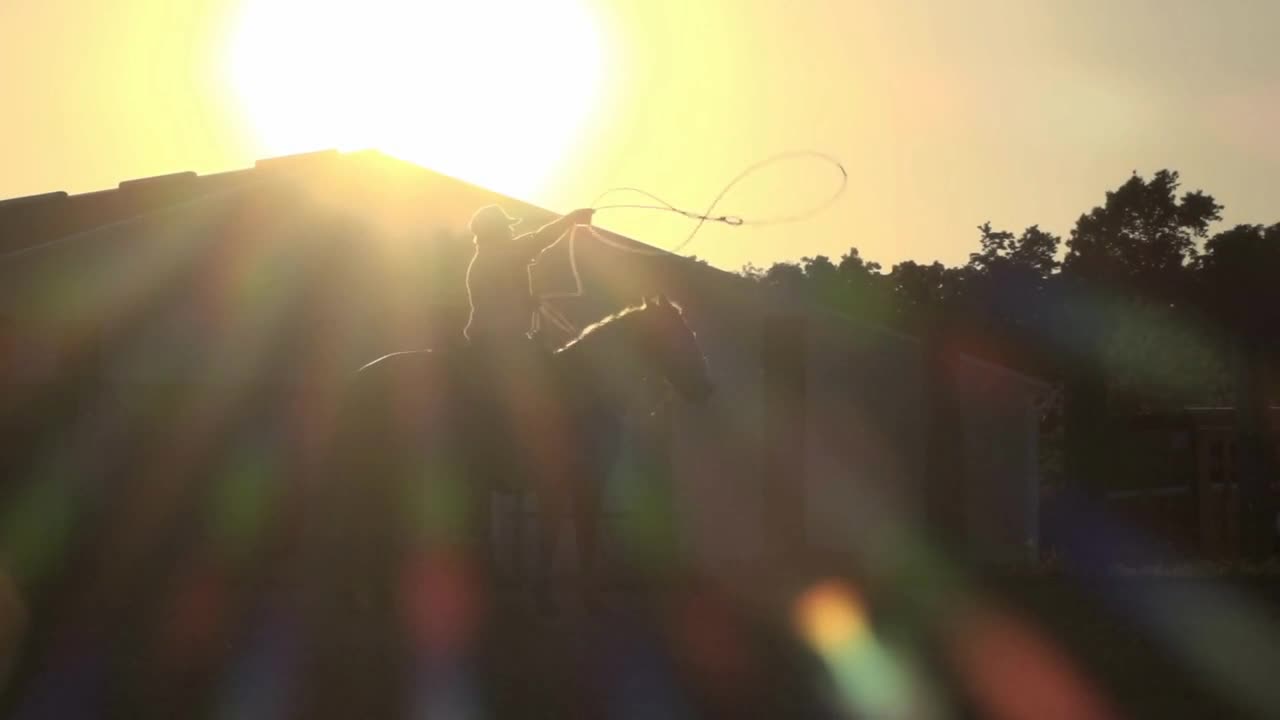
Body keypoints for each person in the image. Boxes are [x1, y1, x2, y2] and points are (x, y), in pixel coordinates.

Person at [463, 204, 594, 351]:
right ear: (496, 231)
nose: (510, 230)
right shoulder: (501, 255)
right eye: (506, 227)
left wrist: (526, 301)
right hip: (502, 344)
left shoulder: (486, 258)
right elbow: (540, 239)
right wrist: (572, 217)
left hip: (492, 340)